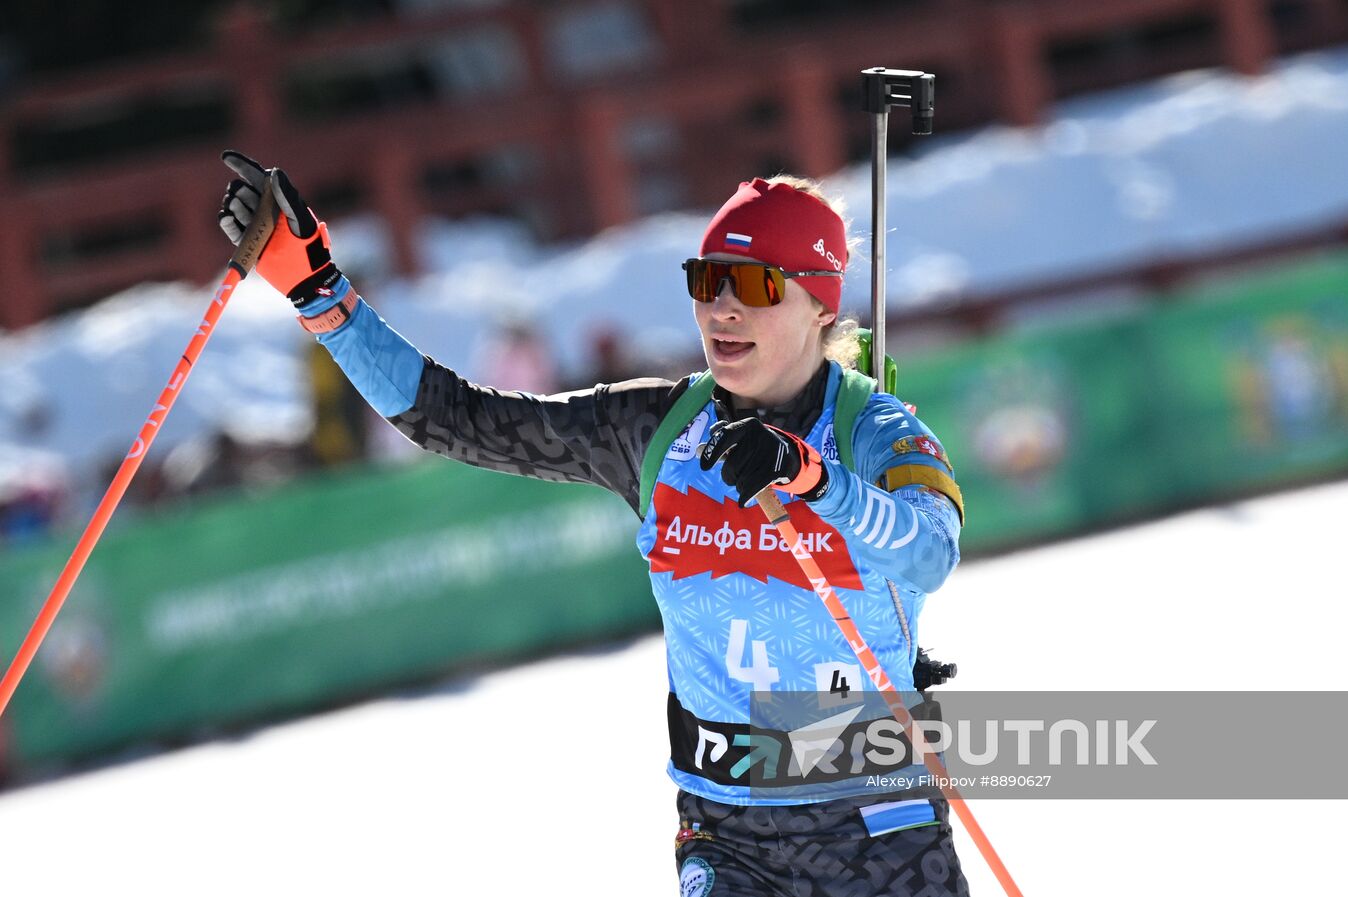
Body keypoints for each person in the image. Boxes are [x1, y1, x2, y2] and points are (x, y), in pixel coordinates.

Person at [217, 151, 970, 896]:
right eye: (706, 281)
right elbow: (458, 417)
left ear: (820, 304)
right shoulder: (657, 428)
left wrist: (815, 480)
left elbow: (931, 551)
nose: (722, 309)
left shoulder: (876, 431)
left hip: (880, 827)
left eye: (753, 285)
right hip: (729, 835)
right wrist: (320, 292)